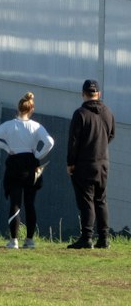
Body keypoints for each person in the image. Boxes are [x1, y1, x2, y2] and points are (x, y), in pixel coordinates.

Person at [0, 91, 55, 249]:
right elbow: (50, 142)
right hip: (31, 164)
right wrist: (38, 153)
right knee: (30, 204)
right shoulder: (36, 126)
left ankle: (14, 240)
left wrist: (6, 147)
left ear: (18, 108)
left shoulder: (9, 126)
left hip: (15, 165)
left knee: (15, 203)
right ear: (31, 110)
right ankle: (29, 240)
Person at [67, 79, 116, 249]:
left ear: (83, 94)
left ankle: (86, 237)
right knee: (101, 200)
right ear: (99, 94)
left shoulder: (80, 113)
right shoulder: (108, 112)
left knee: (86, 200)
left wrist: (70, 163)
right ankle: (104, 238)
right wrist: (100, 146)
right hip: (103, 162)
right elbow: (111, 134)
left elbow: (73, 142)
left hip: (84, 163)